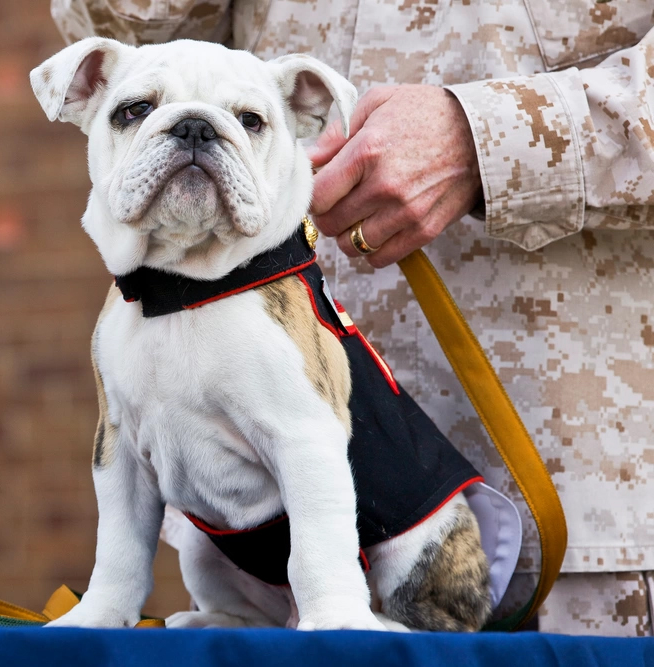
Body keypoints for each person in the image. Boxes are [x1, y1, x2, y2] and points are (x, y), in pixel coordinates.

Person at [48, 0, 654, 636]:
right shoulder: (124, 321)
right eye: (140, 111)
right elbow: (115, 34)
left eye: (246, 120)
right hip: (252, 562)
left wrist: (489, 138)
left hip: (580, 502)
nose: (194, 134)